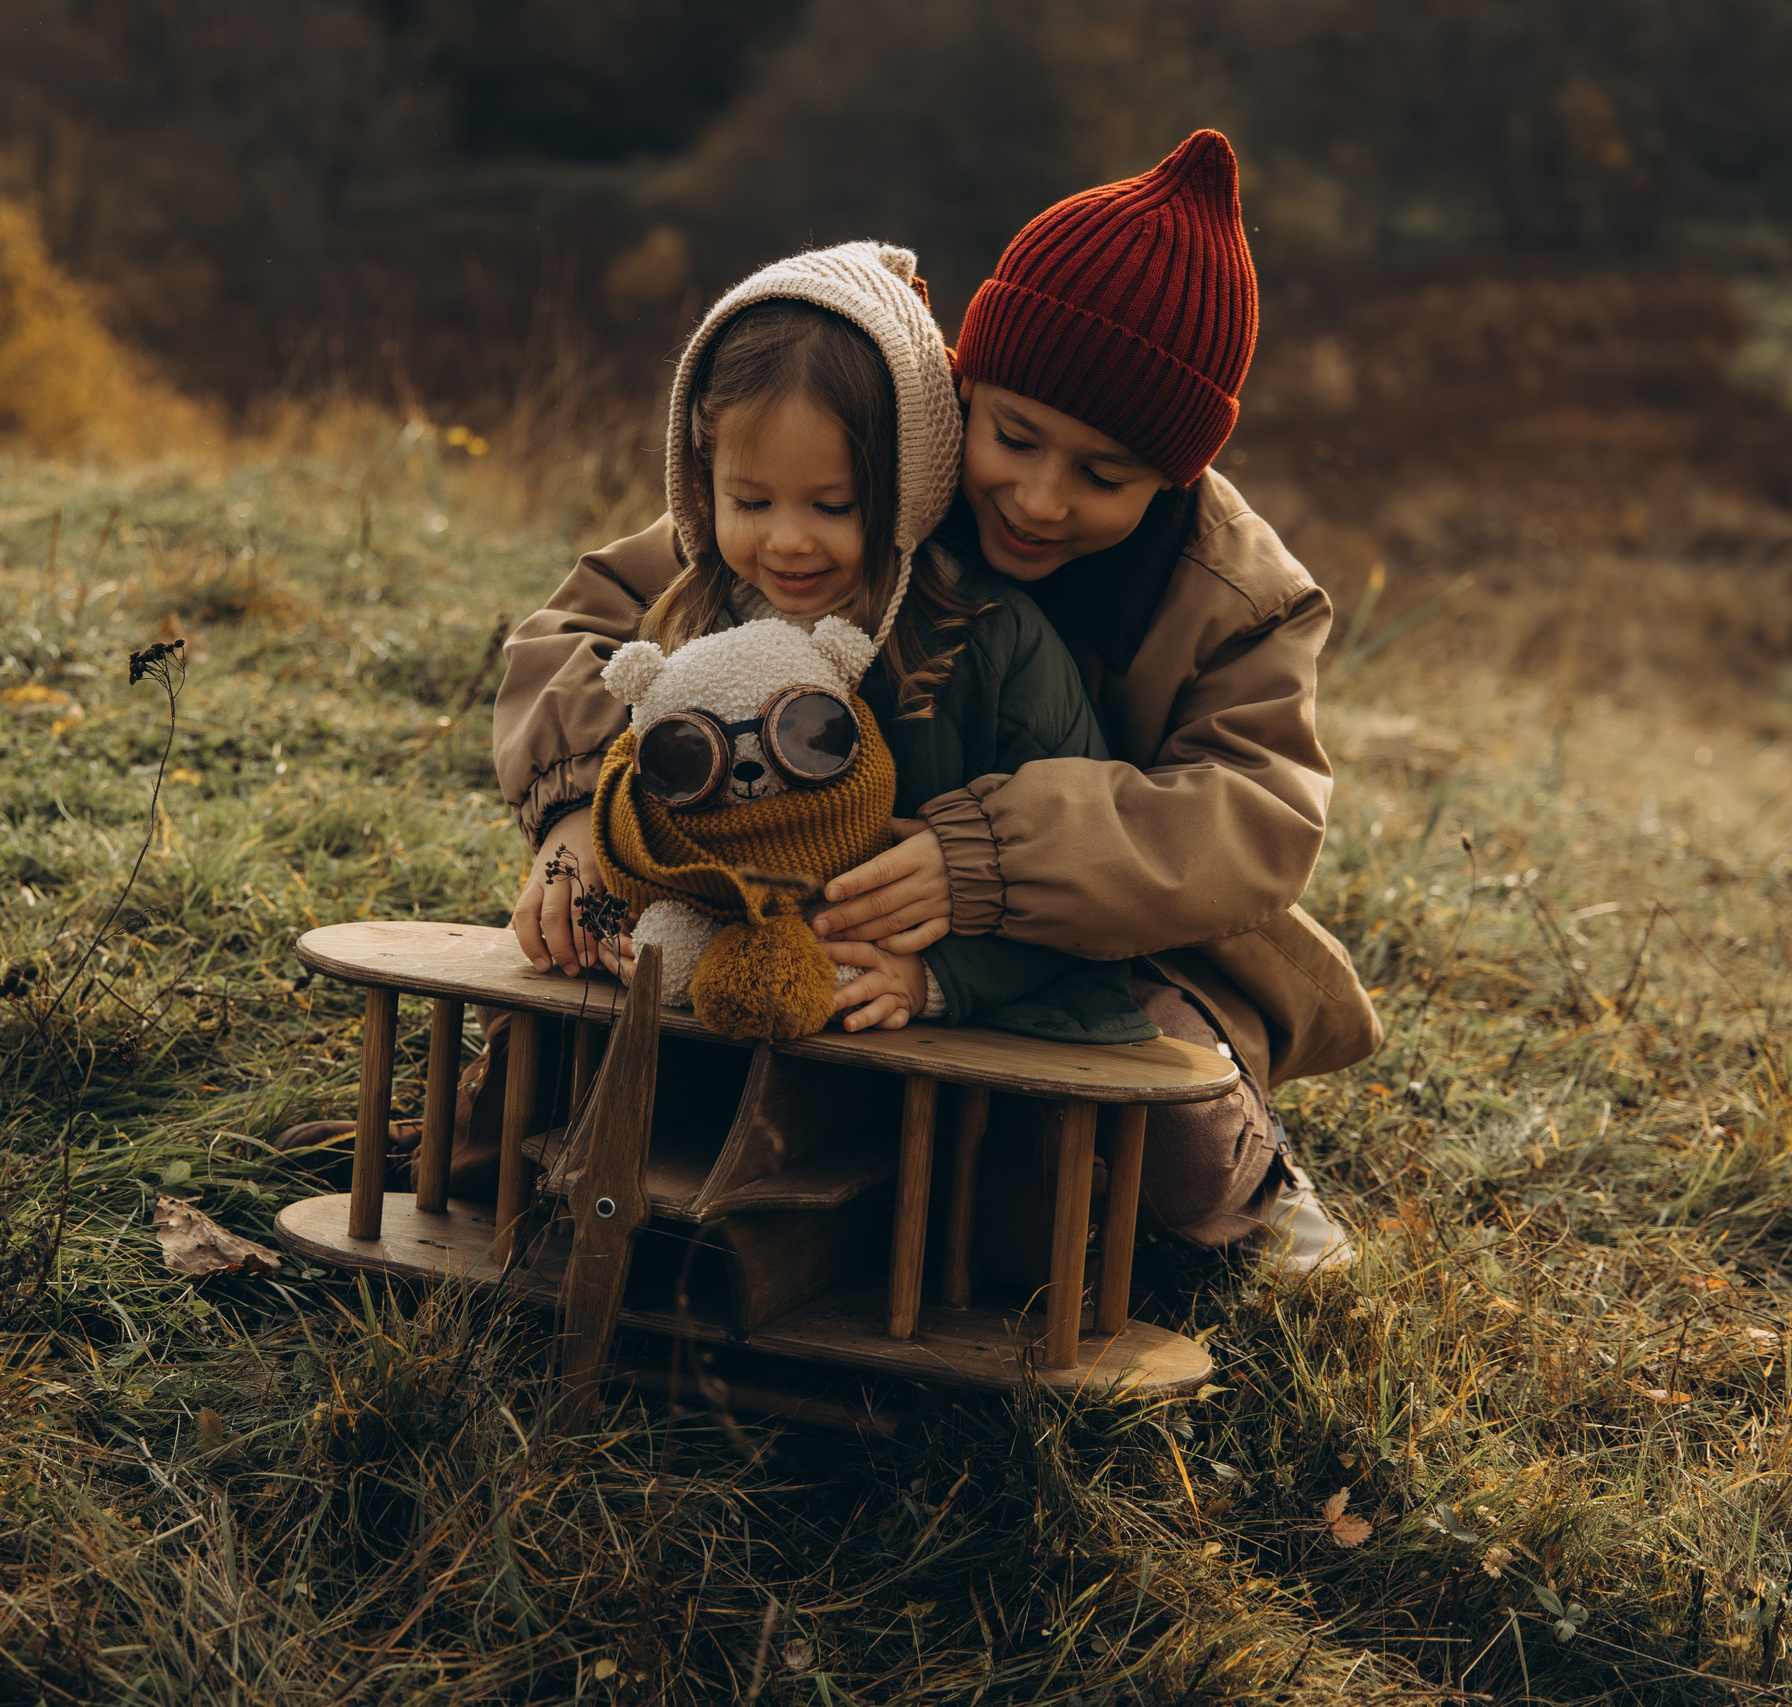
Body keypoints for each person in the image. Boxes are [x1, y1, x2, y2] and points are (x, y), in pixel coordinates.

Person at [498, 131, 1378, 1273]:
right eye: (1011, 437)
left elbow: (1254, 816)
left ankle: (1255, 1184)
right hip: (822, 889)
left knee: (1166, 1143)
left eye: (1104, 476)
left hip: (1115, 937)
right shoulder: (870, 475)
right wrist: (577, 810)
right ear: (965, 391)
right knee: (618, 1034)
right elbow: (584, 625)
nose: (1039, 496)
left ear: (1177, 473)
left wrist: (987, 862)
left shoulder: (1236, 595)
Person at [579, 240, 1156, 1046]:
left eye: (834, 506)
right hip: (733, 1001)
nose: (786, 542)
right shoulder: (694, 618)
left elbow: (1083, 887)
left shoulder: (993, 642)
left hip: (919, 1031)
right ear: (702, 482)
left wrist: (938, 979)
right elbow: (651, 807)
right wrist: (601, 889)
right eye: (750, 500)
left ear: (910, 486)